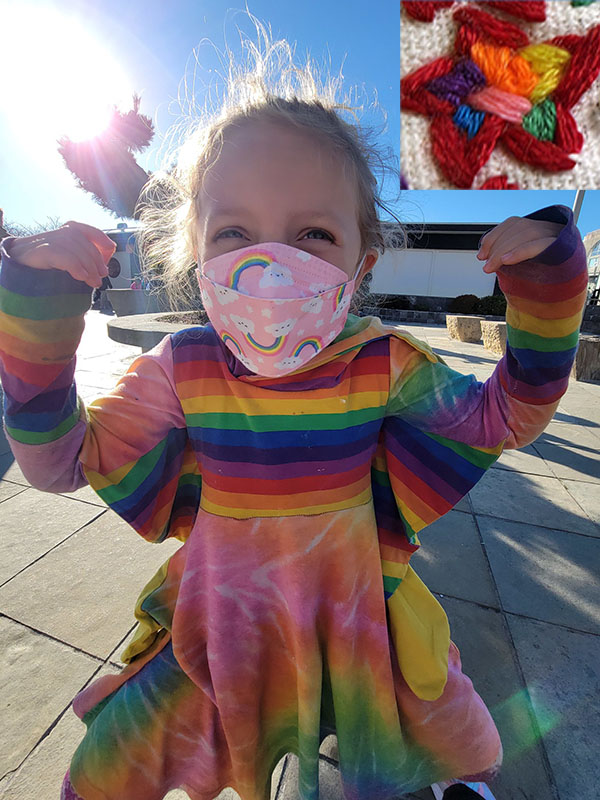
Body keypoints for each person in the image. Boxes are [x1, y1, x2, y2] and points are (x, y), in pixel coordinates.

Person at [0, 36, 587, 800]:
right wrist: (36, 313)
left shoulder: (381, 364)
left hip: (356, 621)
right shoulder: (186, 366)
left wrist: (548, 284)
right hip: (221, 626)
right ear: (193, 254)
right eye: (234, 233)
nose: (271, 268)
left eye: (313, 234)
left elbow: (507, 414)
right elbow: (57, 461)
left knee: (452, 740)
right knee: (111, 766)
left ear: (361, 264)